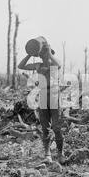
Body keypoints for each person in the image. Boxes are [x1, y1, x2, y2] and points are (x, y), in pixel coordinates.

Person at [18, 36, 65, 164]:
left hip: (55, 95)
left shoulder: (54, 64)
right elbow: (21, 65)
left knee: (56, 127)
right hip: (43, 94)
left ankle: (60, 154)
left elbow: (58, 64)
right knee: (45, 127)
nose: (44, 56)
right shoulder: (38, 65)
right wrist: (29, 54)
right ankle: (47, 154)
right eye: (42, 54)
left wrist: (49, 52)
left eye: (47, 54)